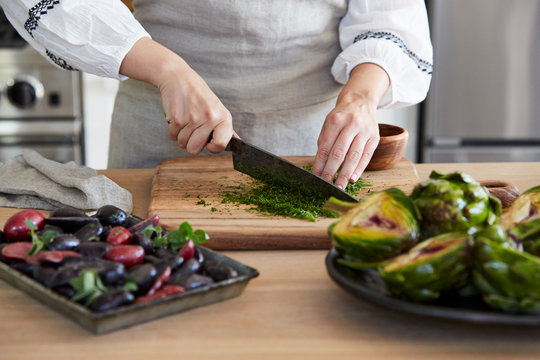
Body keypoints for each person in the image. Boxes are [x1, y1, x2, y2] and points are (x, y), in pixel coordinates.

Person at [1, 0, 432, 190]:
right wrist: (168, 71)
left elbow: (393, 15)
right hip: (158, 136)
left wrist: (362, 97)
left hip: (316, 148)